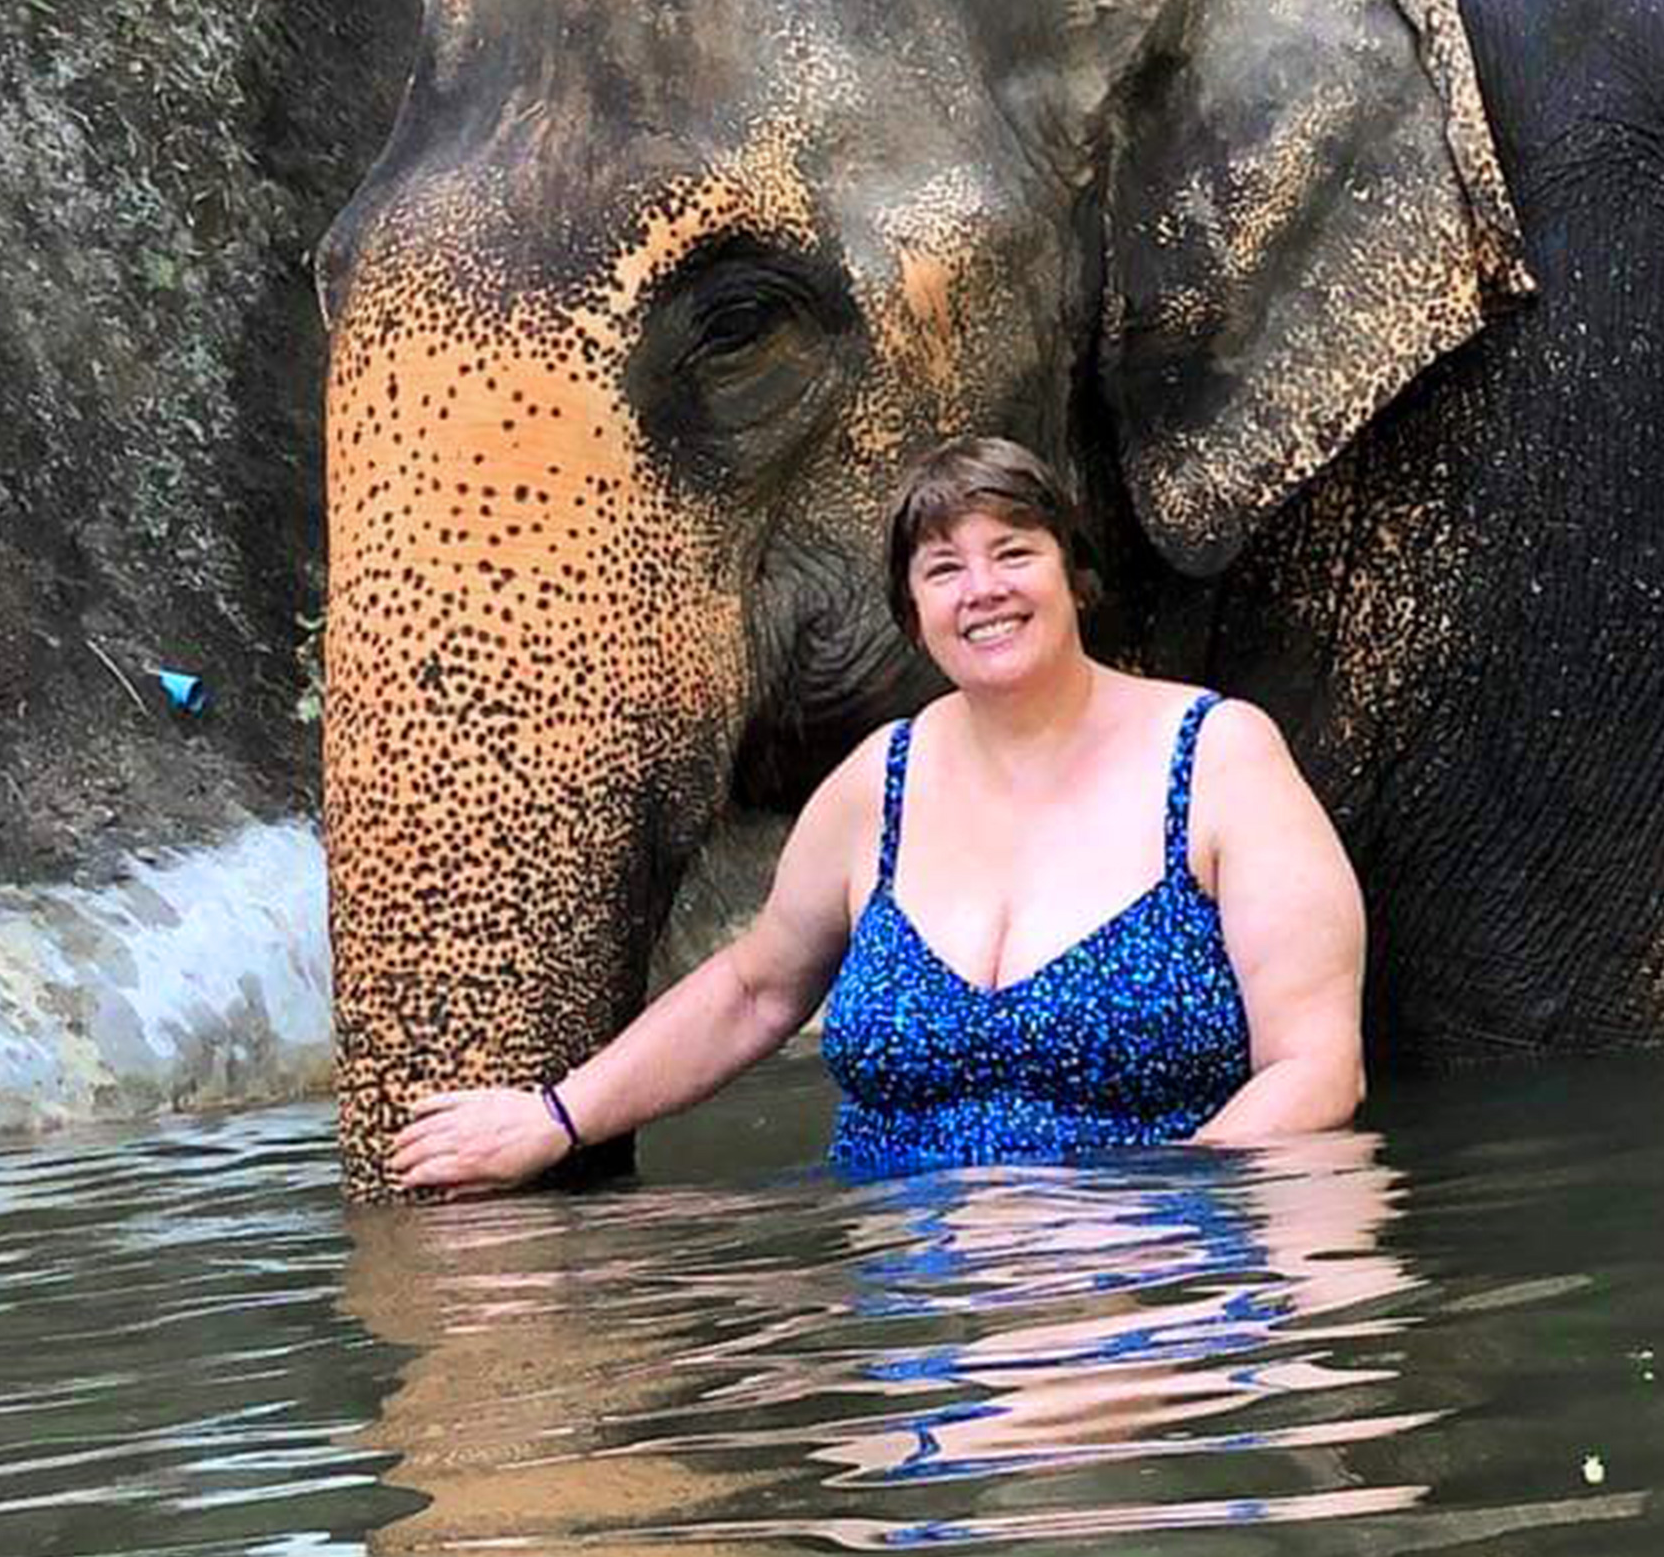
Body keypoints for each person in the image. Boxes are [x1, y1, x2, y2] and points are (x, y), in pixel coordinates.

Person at [390, 436, 1366, 1191]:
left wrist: (1134, 1223)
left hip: (1160, 1261)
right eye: (943, 568)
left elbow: (1318, 1069)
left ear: (1074, 576)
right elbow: (754, 992)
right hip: (900, 1287)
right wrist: (553, 1121)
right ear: (912, 610)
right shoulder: (878, 784)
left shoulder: (1219, 759)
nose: (982, 590)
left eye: (1012, 554)